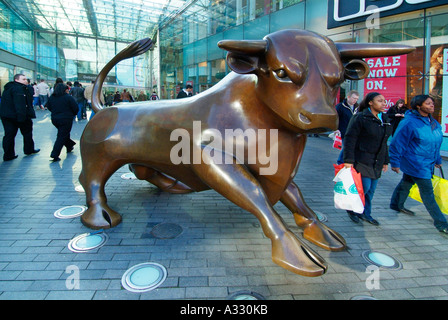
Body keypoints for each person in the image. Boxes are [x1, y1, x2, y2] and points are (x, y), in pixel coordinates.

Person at [389, 95, 448, 234]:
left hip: (427, 162)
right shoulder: (409, 122)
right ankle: (441, 223)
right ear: (418, 106)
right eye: (428, 103)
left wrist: (438, 160)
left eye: (432, 103)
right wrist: (395, 162)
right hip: (416, 163)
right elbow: (397, 143)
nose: (432, 105)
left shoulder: (433, 122)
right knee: (428, 193)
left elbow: (435, 143)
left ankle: (396, 204)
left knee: (406, 182)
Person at [343, 92, 392, 225]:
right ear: (370, 102)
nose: (383, 103)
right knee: (364, 188)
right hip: (362, 158)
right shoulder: (361, 117)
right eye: (380, 101)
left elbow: (384, 142)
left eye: (384, 100)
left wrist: (385, 161)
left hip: (377, 161)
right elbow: (350, 139)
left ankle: (365, 213)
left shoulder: (385, 119)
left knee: (370, 190)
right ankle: (352, 210)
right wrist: (348, 160)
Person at [0, 74, 40, 161]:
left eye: (26, 79)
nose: (26, 81)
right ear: (16, 80)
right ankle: (28, 150)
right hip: (18, 116)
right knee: (27, 133)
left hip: (7, 116)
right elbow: (20, 104)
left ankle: (8, 155)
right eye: (23, 79)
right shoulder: (19, 89)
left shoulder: (9, 88)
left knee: (9, 135)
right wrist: (22, 118)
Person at [46, 83, 78, 162]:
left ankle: (69, 146)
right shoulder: (68, 98)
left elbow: (49, 106)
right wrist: (72, 114)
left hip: (55, 119)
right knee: (61, 136)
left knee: (63, 134)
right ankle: (55, 154)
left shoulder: (52, 98)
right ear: (65, 90)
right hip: (66, 119)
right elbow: (75, 108)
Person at [335, 90, 359, 164]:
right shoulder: (340, 106)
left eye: (357, 99)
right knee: (346, 147)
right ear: (348, 97)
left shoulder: (357, 107)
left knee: (350, 147)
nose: (355, 100)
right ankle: (340, 162)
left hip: (354, 132)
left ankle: (347, 162)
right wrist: (336, 129)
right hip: (344, 131)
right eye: (354, 98)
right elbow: (335, 118)